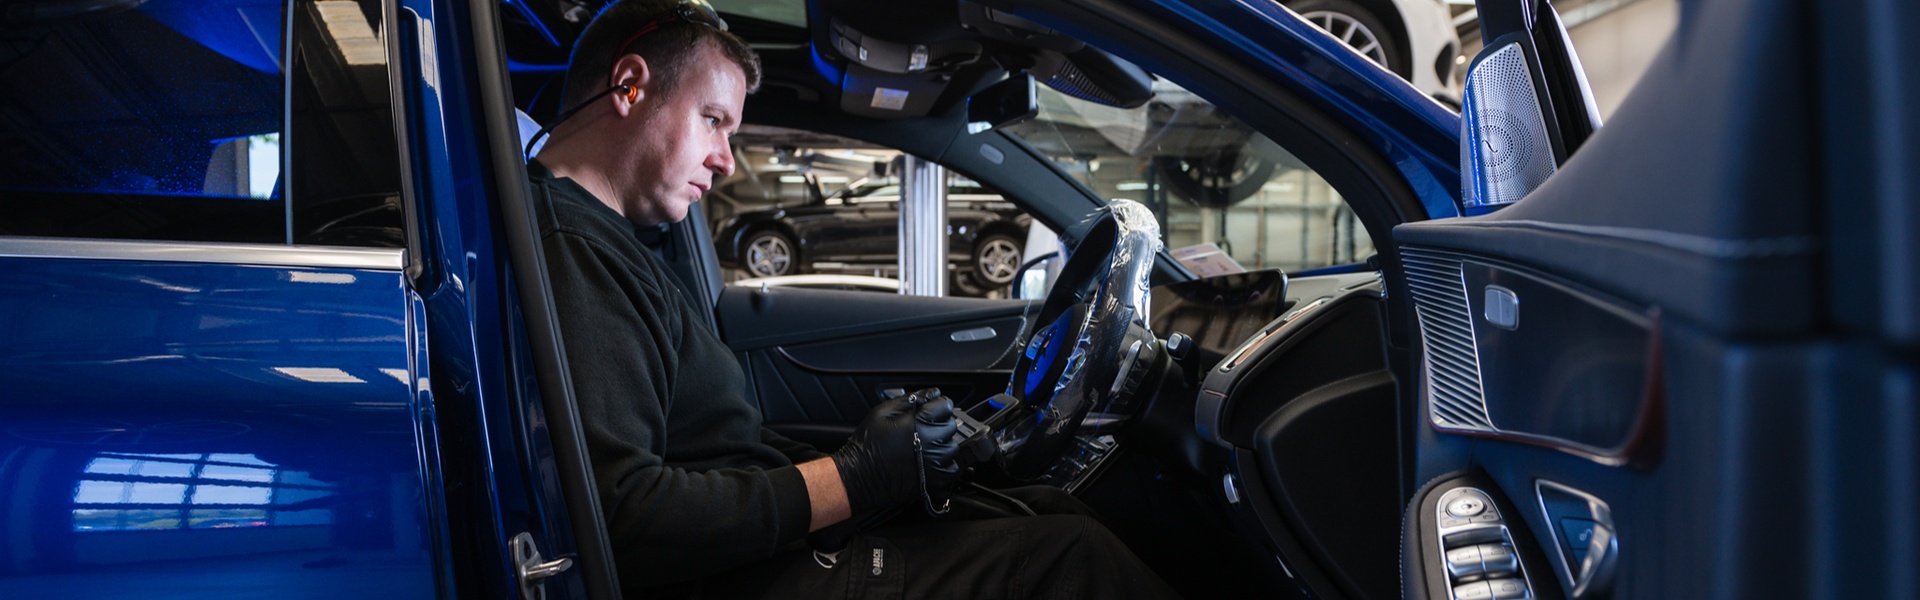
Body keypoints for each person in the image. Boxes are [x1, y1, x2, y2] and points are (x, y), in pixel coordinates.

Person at [525, 1, 1182, 598]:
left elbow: (712, 451)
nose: (726, 160)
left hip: (753, 553)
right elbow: (626, 518)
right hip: (731, 577)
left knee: (1046, 508)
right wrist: (854, 479)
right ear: (629, 86)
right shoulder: (572, 247)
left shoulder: (613, 241)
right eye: (713, 120)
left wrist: (887, 471)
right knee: (1074, 560)